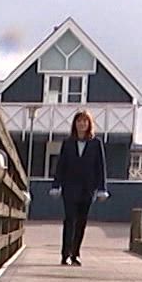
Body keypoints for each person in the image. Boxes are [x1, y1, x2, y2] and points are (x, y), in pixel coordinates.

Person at [50, 110, 107, 265]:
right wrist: (56, 185)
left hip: (88, 189)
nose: (82, 124)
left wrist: (102, 188)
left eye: (85, 121)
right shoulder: (68, 143)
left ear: (89, 124)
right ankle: (65, 254)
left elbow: (100, 167)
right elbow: (61, 165)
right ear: (75, 124)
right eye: (79, 121)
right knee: (70, 219)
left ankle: (76, 253)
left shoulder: (96, 143)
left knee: (81, 221)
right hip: (69, 188)